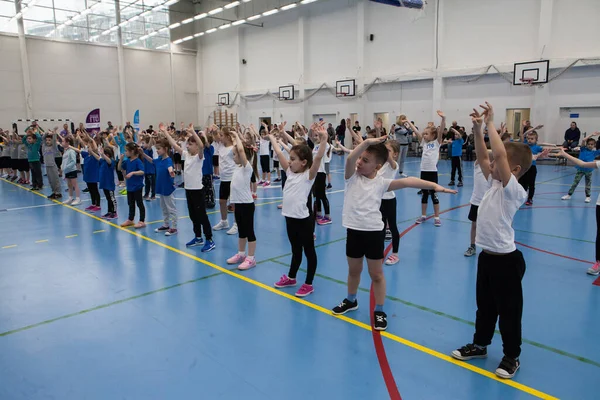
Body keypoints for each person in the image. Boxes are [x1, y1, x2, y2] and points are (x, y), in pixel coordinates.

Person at [331, 136, 456, 331]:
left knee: (377, 274)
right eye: (360, 158)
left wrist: (433, 186)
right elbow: (349, 160)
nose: (359, 162)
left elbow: (408, 182)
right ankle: (351, 300)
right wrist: (365, 143)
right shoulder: (352, 178)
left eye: (365, 160)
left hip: (373, 233)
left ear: (377, 167)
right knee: (354, 271)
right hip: (353, 232)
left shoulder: (381, 183)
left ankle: (379, 310)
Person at [452, 102, 532, 380]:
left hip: (507, 262)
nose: (492, 163)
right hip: (487, 258)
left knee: (509, 312)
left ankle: (512, 356)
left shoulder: (514, 191)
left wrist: (491, 123)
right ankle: (480, 344)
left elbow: (497, 151)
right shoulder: (493, 183)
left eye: (499, 162)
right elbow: (485, 155)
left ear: (515, 168)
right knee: (484, 306)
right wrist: (476, 128)